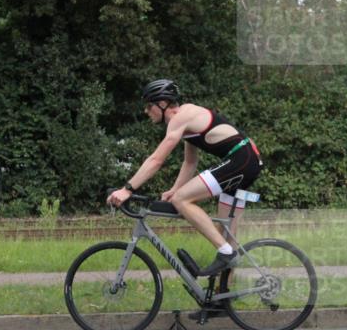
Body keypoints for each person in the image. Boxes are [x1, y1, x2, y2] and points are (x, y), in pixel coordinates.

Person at [106, 79, 263, 277]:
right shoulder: (187, 123)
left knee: (183, 200)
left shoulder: (181, 117)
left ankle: (226, 253)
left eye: (149, 106)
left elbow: (156, 160)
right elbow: (190, 162)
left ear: (162, 104)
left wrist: (127, 189)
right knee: (224, 235)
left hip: (243, 160)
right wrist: (174, 189)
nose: (146, 111)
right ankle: (221, 303)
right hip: (246, 161)